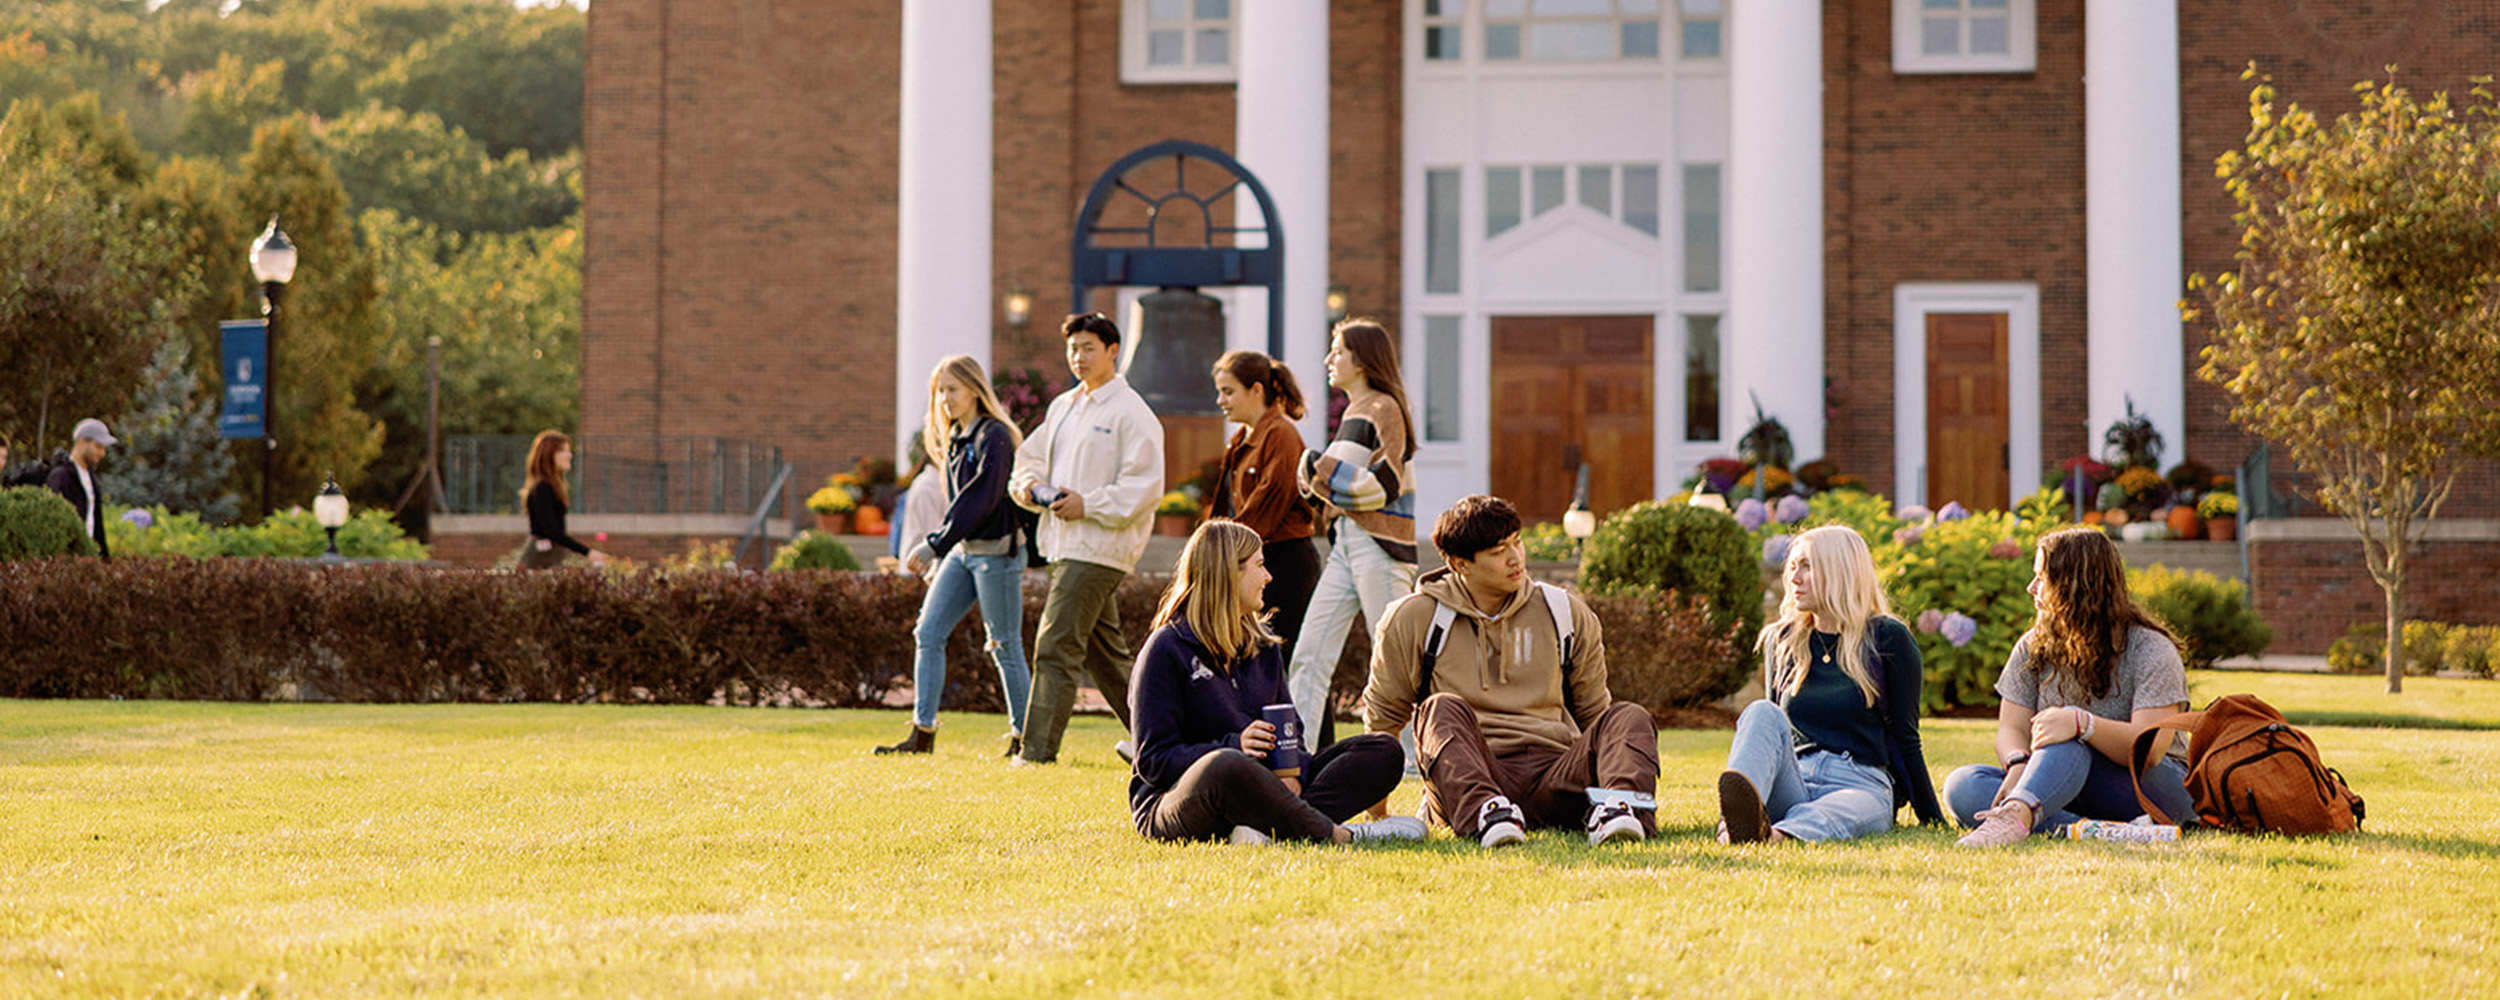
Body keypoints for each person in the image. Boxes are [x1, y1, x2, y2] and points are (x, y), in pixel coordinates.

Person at [1362, 494, 1657, 848]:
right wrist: (1377, 817)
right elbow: (1383, 721)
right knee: (1439, 708)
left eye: (1517, 542)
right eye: (1498, 551)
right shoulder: (1413, 618)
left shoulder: (1564, 611)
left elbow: (1595, 716)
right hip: (1468, 775)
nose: (1515, 558)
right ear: (1461, 564)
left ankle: (1619, 811)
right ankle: (1489, 814)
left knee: (1627, 716)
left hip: (1557, 776)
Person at [1129, 520, 1425, 845]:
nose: (1268, 576)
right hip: (1178, 800)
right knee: (1226, 765)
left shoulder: (1264, 646)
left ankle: (1264, 830)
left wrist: (1291, 771)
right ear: (1228, 573)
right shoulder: (1166, 649)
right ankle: (1342, 836)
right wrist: (1233, 744)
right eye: (1259, 565)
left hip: (1264, 785)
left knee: (1383, 751)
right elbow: (1153, 760)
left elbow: (1290, 732)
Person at [1945, 527, 2196, 847]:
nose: (2030, 587)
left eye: (2041, 578)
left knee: (2067, 740)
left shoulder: (2150, 649)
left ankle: (2019, 817)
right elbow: (2011, 727)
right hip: (2059, 782)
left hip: (2148, 788)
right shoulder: (2033, 646)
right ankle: (2102, 832)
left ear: (2076, 586)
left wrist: (2082, 724)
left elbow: (2150, 750)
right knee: (1964, 786)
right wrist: (2018, 762)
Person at [1716, 526, 1945, 844]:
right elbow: (1773, 737)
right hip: (1796, 778)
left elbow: (1906, 738)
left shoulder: (1887, 638)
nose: (1794, 578)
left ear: (1840, 572)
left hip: (1861, 784)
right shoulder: (1783, 640)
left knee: (1841, 809)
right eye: (1793, 566)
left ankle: (1775, 835)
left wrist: (1933, 820)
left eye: (1807, 566)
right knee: (1761, 712)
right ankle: (1734, 822)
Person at [1006, 313, 1164, 765]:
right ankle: (1160, 742)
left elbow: (1145, 488)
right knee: (1105, 657)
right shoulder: (1064, 406)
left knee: (1055, 643)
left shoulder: (1132, 412)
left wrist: (1087, 504)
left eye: (1088, 348)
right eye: (1073, 348)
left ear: (1113, 351)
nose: (1078, 357)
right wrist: (1033, 489)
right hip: (1063, 544)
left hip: (1101, 550)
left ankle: (1035, 753)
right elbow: (1027, 460)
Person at [877, 356, 1033, 758]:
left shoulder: (994, 436)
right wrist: (943, 550)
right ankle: (922, 735)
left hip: (996, 555)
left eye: (952, 389)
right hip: (964, 553)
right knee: (927, 633)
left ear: (974, 390)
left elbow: (981, 498)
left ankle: (1027, 739)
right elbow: (957, 504)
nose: (945, 399)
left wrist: (934, 544)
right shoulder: (956, 438)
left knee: (1004, 644)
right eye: (940, 391)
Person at [1286, 319, 1420, 748]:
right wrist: (1318, 475)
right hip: (1347, 545)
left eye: (1337, 351)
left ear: (1361, 360)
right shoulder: (1354, 412)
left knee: (1395, 661)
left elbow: (1384, 484)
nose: (1328, 360)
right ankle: (1295, 759)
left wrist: (1314, 467)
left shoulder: (1384, 408)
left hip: (1379, 548)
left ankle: (1419, 761)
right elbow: (1343, 486)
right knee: (1309, 654)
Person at [1209, 350, 1321, 672]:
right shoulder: (1242, 438)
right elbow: (1226, 506)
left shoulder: (1281, 435)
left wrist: (1220, 547)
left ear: (1256, 390)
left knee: (1291, 665)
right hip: (1254, 560)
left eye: (1228, 391)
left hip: (1285, 564)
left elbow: (1265, 509)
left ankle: (1309, 727)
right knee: (1259, 664)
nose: (1220, 400)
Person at [520, 431, 608, 569]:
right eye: (564, 451)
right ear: (550, 455)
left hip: (548, 556)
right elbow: (552, 532)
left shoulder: (550, 486)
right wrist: (587, 552)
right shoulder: (543, 488)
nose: (570, 455)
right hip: (541, 559)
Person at [45, 419, 116, 559]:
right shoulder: (61, 477)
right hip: (68, 561)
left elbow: (96, 524)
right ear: (81, 442)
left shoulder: (91, 478)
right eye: (98, 446)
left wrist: (105, 559)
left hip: (88, 558)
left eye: (104, 448)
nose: (103, 453)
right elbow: (56, 525)